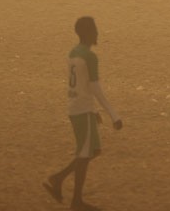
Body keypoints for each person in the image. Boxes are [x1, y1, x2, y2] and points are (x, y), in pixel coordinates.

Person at [44, 17, 123, 211]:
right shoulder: (90, 56)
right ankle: (72, 196)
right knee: (85, 153)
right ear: (87, 32)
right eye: (94, 30)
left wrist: (93, 110)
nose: (97, 33)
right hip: (82, 110)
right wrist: (114, 115)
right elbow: (94, 87)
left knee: (92, 151)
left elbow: (80, 84)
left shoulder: (73, 52)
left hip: (77, 107)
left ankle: (60, 181)